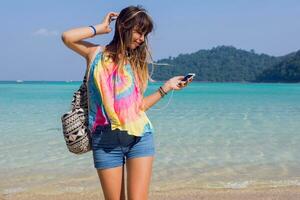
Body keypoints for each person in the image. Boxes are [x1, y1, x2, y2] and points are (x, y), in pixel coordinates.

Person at [61, 5, 193, 200]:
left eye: (145, 34)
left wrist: (166, 87)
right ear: (123, 26)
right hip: (105, 141)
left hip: (139, 138)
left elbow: (138, 107)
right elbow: (67, 37)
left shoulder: (137, 63)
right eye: (139, 32)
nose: (141, 38)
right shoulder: (95, 54)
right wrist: (101, 27)